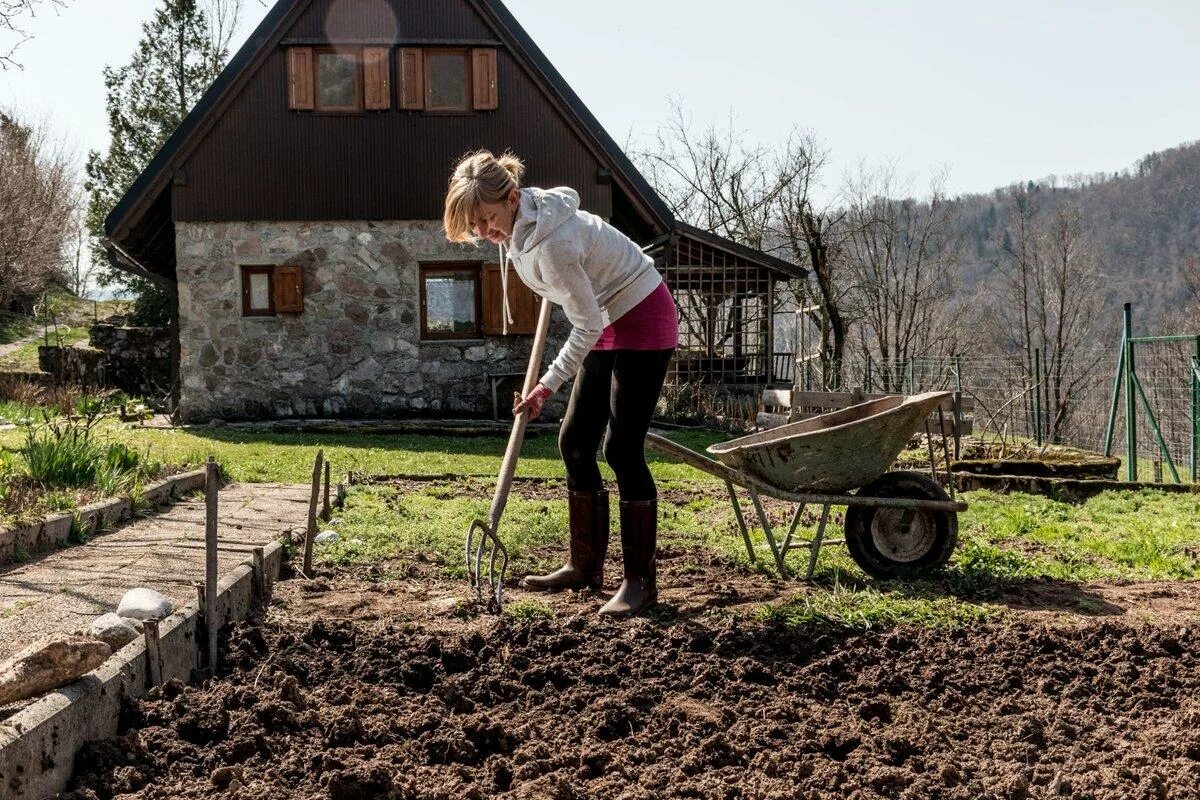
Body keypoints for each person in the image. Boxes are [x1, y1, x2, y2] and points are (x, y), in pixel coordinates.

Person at [443, 150, 678, 617]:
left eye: (487, 220)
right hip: (606, 319)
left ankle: (639, 584)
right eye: (475, 226)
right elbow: (585, 312)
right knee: (574, 442)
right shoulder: (523, 225)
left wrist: (546, 386)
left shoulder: (552, 241)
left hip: (643, 316)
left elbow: (585, 325)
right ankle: (585, 566)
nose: (483, 233)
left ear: (512, 199)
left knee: (621, 449)